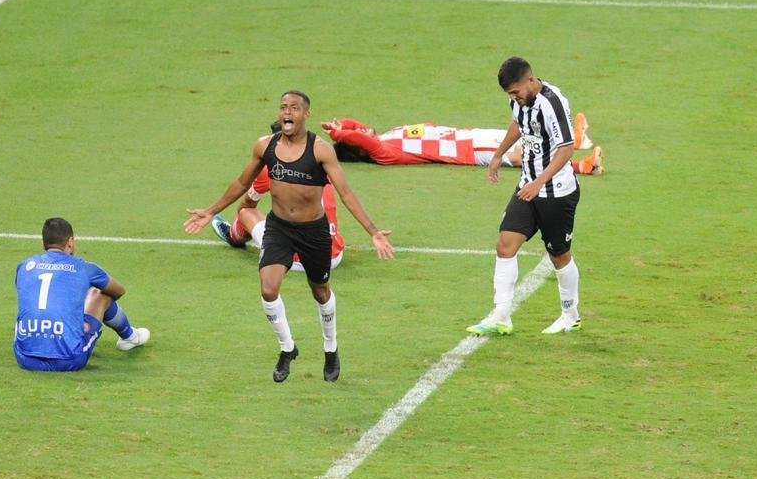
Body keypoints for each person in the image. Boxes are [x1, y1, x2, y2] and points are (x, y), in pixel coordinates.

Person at [184, 90, 395, 383]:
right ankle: (288, 348)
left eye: (294, 108)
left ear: (305, 114)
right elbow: (241, 182)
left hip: (314, 233)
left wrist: (373, 232)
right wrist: (210, 210)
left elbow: (346, 193)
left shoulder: (321, 150)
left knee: (320, 292)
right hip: (279, 229)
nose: (287, 112)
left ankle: (330, 348)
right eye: (283, 107)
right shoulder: (264, 146)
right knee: (268, 289)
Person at [466, 57, 584, 336]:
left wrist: (540, 181)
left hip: (557, 192)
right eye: (510, 95)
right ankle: (501, 315)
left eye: (516, 92)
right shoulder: (519, 101)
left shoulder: (552, 103)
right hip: (528, 186)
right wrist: (497, 155)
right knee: (505, 244)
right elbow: (519, 125)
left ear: (530, 80)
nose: (514, 98)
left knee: (559, 255)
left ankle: (571, 315)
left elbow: (567, 148)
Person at [13, 217, 149, 371]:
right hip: (69, 359)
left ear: (43, 243)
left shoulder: (25, 266)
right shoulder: (84, 268)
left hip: (25, 357)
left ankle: (37, 339)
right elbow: (118, 290)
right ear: (70, 242)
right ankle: (130, 337)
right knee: (100, 294)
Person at [210, 123, 347, 272]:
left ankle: (234, 235)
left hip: (295, 259)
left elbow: (248, 203)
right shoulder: (321, 158)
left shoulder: (272, 166)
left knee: (246, 211)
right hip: (332, 257)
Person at [323, 116, 604, 175]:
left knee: (521, 136)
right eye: (356, 135)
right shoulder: (383, 153)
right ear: (360, 150)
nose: (360, 128)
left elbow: (359, 130)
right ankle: (580, 166)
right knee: (519, 156)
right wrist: (339, 135)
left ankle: (573, 141)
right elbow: (359, 137)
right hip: (465, 151)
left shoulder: (383, 138)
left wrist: (342, 125)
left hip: (465, 137)